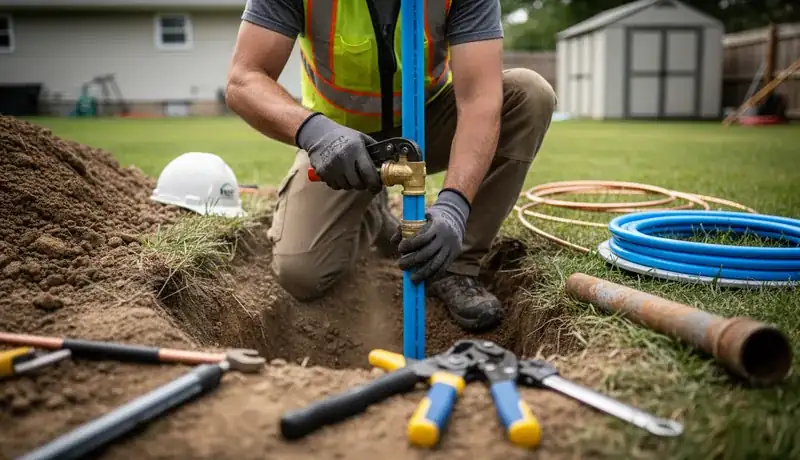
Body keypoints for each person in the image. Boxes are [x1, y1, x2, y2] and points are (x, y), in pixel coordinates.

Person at [225, 0, 557, 332]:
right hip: (337, 136)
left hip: (429, 121)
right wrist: (315, 132)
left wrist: (455, 204)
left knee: (530, 94)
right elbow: (244, 79)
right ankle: (371, 210)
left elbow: (479, 99)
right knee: (302, 273)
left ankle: (455, 267)